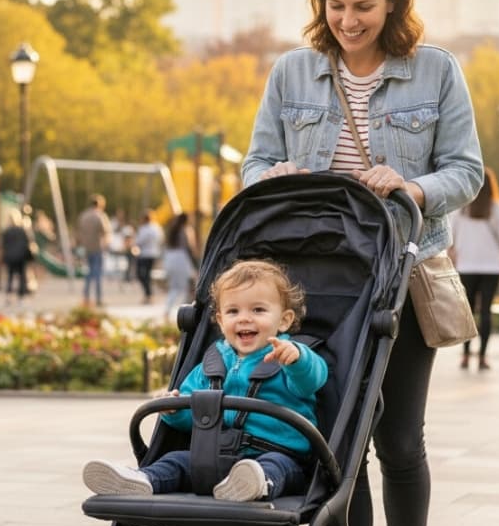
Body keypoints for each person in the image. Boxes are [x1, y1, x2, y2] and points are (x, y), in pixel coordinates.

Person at [240, 0, 483, 526]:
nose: (348, 21)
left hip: (401, 276)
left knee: (399, 439)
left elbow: (465, 169)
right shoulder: (292, 73)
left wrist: (411, 185)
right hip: (318, 284)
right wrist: (272, 178)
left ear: (394, 1)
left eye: (364, 8)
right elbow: (255, 163)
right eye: (336, 5)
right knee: (342, 440)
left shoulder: (434, 71)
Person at [82, 259, 328, 501]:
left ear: (284, 320)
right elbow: (193, 415)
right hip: (212, 458)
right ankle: (141, 480)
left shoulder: (288, 356)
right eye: (233, 311)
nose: (244, 318)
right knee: (176, 460)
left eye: (258, 310)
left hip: (280, 456)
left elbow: (312, 380)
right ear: (220, 321)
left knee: (275, 466)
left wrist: (298, 360)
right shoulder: (210, 365)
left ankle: (256, 484)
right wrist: (174, 411)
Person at [450, 167, 499, 371]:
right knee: (486, 311)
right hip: (492, 266)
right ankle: (483, 357)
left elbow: (450, 237)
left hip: (467, 265)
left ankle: (466, 355)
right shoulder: (497, 208)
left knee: (467, 311)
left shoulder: (461, 208)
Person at [76, 194, 111, 307]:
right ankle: (99, 298)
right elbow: (105, 232)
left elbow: (79, 233)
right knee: (97, 274)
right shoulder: (100, 216)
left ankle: (86, 297)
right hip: (97, 247)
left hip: (87, 248)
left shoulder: (83, 216)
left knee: (88, 273)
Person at [163, 212, 198, 319]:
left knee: (174, 287)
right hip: (182, 259)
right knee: (185, 287)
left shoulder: (173, 230)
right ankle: (184, 313)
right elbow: (189, 248)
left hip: (169, 258)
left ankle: (167, 311)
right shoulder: (186, 230)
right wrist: (196, 264)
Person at [1, 208, 36, 302]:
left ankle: (9, 295)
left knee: (10, 276)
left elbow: (4, 245)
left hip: (10, 257)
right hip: (21, 256)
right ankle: (21, 296)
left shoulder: (6, 231)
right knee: (21, 276)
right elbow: (28, 242)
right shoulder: (22, 230)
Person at [135, 209, 164, 303]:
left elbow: (139, 241)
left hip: (144, 254)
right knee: (147, 275)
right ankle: (149, 295)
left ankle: (148, 295)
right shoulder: (157, 228)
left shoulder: (144, 229)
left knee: (141, 275)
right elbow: (161, 239)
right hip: (154, 253)